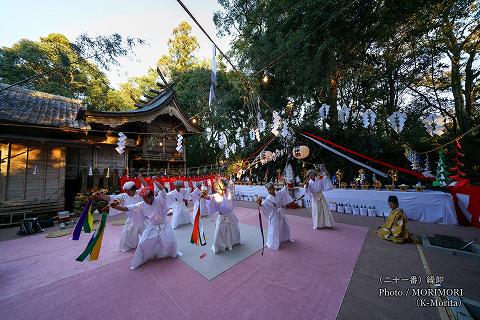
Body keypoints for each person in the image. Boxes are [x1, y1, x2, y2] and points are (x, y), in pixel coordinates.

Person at [111, 185, 181, 269]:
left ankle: (171, 253)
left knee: (170, 241)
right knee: (142, 242)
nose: (144, 200)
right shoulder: (142, 205)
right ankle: (141, 259)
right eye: (143, 198)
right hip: (152, 226)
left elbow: (162, 190)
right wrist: (116, 207)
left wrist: (155, 181)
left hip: (165, 225)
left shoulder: (159, 199)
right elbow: (129, 208)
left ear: (151, 196)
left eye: (145, 198)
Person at [92, 175, 148, 252]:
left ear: (134, 189)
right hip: (131, 219)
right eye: (126, 191)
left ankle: (150, 248)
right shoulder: (124, 196)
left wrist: (141, 180)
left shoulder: (140, 193)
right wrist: (101, 196)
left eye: (129, 191)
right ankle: (131, 246)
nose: (127, 192)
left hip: (142, 219)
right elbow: (110, 198)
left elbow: (146, 187)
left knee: (149, 236)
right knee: (127, 235)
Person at [205, 178, 242, 253]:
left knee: (233, 229)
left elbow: (230, 188)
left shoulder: (228, 192)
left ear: (224, 187)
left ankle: (234, 242)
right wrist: (205, 196)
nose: (216, 187)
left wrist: (225, 185)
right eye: (216, 186)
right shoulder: (215, 195)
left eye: (218, 186)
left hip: (231, 215)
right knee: (220, 231)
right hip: (222, 217)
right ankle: (220, 246)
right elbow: (210, 197)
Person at [256, 182, 294, 250]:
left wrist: (285, 184)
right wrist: (260, 203)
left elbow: (284, 190)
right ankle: (273, 243)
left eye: (271, 189)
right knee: (274, 229)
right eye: (268, 190)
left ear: (274, 188)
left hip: (280, 213)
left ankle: (285, 237)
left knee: (285, 225)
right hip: (274, 215)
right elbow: (264, 205)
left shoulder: (278, 193)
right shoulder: (268, 199)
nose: (269, 191)